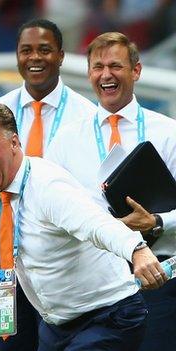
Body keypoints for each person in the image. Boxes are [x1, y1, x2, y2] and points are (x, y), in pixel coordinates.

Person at [0, 64, 167, 350]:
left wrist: (137, 250)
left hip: (109, 316)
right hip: (55, 326)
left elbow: (95, 224)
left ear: (14, 142)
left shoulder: (46, 185)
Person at [0, 18, 97, 350]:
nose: (34, 58)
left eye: (44, 50)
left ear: (60, 55)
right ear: (16, 56)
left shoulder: (87, 117)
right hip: (7, 273)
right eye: (26, 50)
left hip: (64, 270)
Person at [45, 31, 176, 351]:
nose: (106, 75)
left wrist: (156, 222)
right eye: (98, 67)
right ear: (89, 73)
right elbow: (48, 208)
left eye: (116, 66)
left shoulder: (169, 132)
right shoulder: (65, 140)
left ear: (136, 71)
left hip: (157, 281)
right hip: (90, 288)